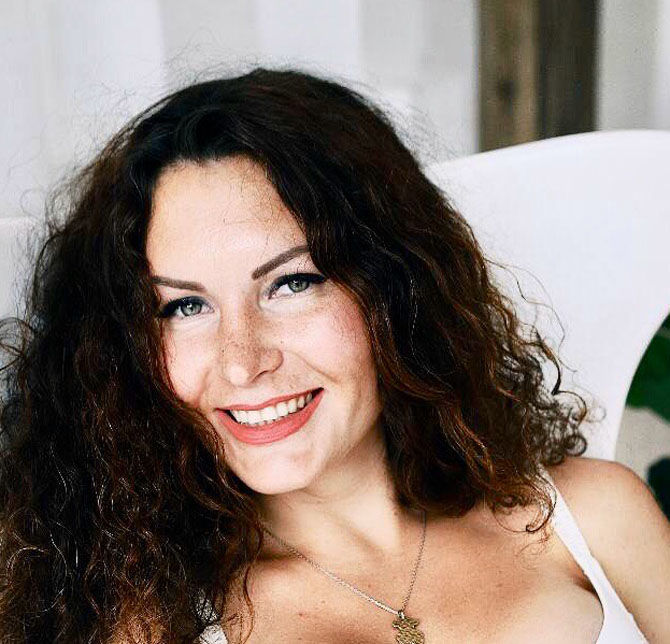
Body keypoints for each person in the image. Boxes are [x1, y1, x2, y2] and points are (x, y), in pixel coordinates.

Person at [0, 68, 668, 644]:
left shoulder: (593, 517)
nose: (242, 362)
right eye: (185, 306)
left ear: (395, 289)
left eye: (292, 283)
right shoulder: (153, 625)